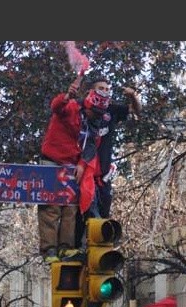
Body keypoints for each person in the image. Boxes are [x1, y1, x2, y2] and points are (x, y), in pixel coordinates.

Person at [74, 77, 141, 248]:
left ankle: (98, 251)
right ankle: (77, 249)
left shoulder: (111, 110)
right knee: (79, 216)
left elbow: (136, 111)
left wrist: (132, 95)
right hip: (81, 171)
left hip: (102, 175)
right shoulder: (80, 108)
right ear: (91, 92)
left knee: (102, 217)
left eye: (106, 88)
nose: (104, 91)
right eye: (100, 88)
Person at [37, 77, 94, 264]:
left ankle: (66, 248)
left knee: (70, 208)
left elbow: (89, 145)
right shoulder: (70, 107)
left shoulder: (92, 120)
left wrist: (81, 164)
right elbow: (56, 107)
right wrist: (67, 96)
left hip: (71, 165)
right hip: (52, 161)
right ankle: (49, 250)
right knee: (51, 208)